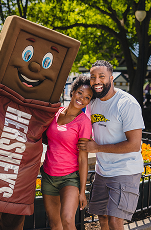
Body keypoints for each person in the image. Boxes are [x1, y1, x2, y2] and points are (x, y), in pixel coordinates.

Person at [78, 60, 144, 230]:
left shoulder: (127, 104)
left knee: (115, 220)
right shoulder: (93, 102)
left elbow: (134, 145)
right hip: (103, 170)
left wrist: (97, 148)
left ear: (111, 78)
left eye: (102, 76)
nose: (97, 81)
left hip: (125, 169)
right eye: (93, 77)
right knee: (103, 217)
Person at [41, 75, 92, 230]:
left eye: (87, 97)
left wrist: (82, 191)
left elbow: (83, 159)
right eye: (80, 93)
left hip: (69, 178)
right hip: (48, 176)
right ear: (73, 91)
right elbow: (48, 139)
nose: (82, 99)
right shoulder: (56, 112)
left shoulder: (84, 122)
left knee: (68, 220)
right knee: (54, 223)